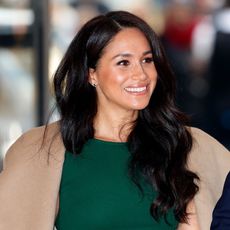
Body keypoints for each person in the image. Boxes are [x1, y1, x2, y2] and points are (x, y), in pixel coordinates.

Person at [0, 10, 229, 230]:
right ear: (92, 74)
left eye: (147, 60)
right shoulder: (42, 149)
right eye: (123, 62)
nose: (141, 74)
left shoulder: (191, 146)